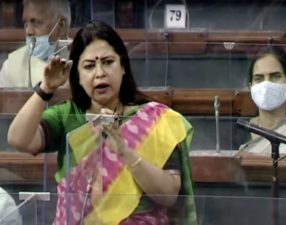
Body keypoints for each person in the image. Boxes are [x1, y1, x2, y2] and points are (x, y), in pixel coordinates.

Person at [7, 20, 197, 225]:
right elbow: (19, 139)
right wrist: (46, 88)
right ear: (77, 75)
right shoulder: (68, 115)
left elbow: (169, 195)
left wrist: (125, 152)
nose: (100, 73)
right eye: (89, 66)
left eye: (108, 62)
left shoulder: (155, 120)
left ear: (123, 67)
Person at [238, 45, 286, 155]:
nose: (266, 84)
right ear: (251, 87)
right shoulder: (238, 131)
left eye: (275, 77)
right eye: (259, 78)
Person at [0, 0, 71, 88]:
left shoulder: (82, 59)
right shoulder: (11, 66)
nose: (28, 31)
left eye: (36, 23)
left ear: (61, 26)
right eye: (26, 24)